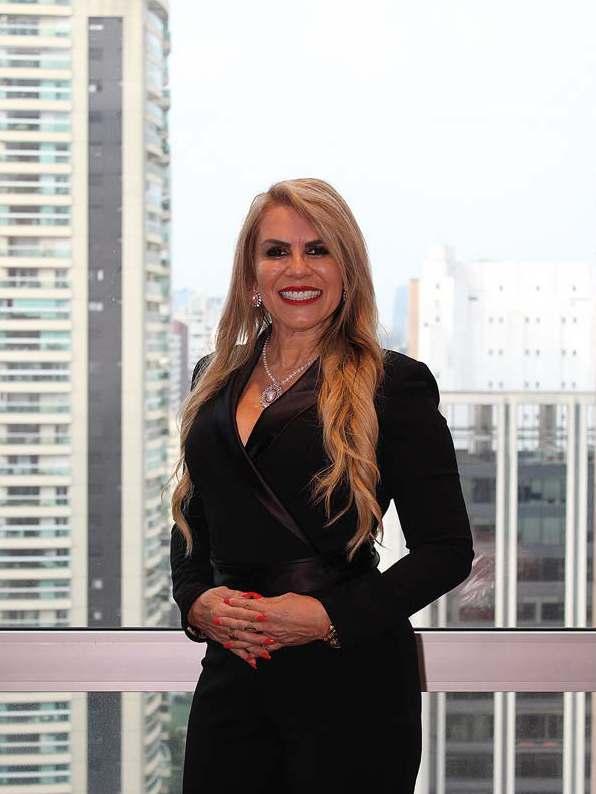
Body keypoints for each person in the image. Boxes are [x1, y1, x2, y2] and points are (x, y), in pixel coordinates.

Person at [169, 177, 474, 793]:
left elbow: (447, 551)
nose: (297, 268)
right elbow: (194, 519)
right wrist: (195, 600)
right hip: (233, 676)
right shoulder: (212, 378)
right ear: (251, 274)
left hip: (350, 681)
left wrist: (325, 617)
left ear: (347, 269)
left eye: (318, 249)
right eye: (276, 251)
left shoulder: (394, 385)